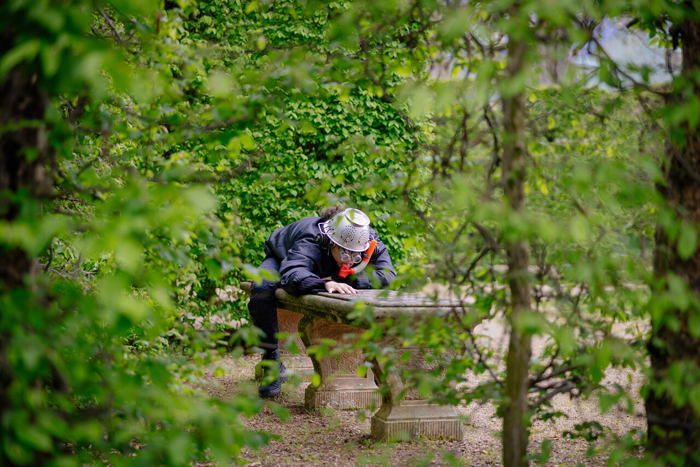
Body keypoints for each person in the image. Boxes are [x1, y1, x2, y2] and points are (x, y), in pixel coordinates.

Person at [248, 206, 396, 397]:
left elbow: (388, 276)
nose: (350, 261)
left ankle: (371, 365)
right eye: (344, 253)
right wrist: (323, 283)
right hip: (282, 256)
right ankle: (271, 361)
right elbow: (294, 274)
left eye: (356, 255)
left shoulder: (367, 238)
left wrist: (343, 279)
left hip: (323, 267)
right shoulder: (311, 240)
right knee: (261, 288)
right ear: (330, 242)